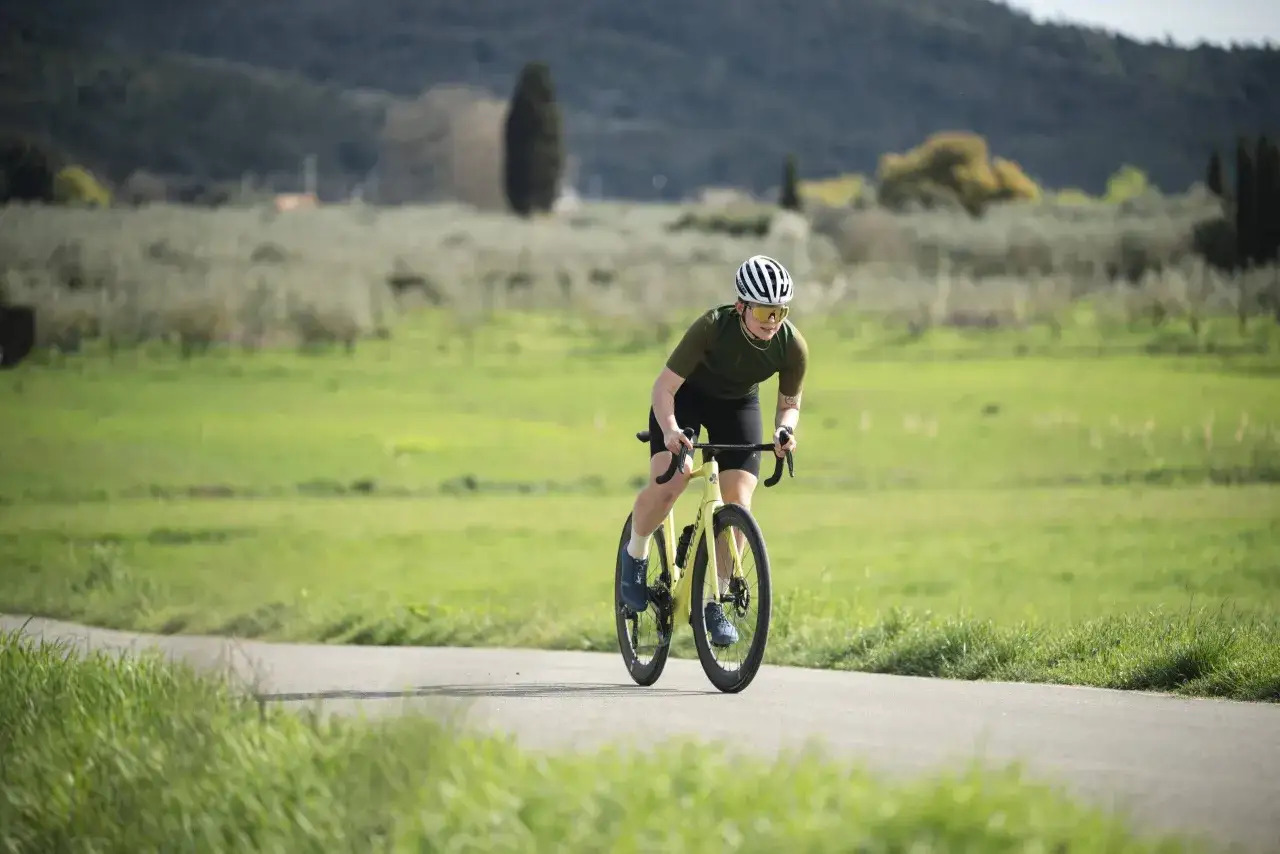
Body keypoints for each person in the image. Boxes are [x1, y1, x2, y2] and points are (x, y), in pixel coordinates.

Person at [619, 254, 808, 647]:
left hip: (738, 406)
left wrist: (784, 431)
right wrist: (670, 431)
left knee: (738, 500)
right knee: (673, 480)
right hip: (685, 400)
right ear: (741, 306)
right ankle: (635, 555)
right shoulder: (711, 328)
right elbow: (663, 389)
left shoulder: (792, 347)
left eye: (779, 311)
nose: (771, 320)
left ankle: (713, 599)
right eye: (763, 310)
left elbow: (789, 404)